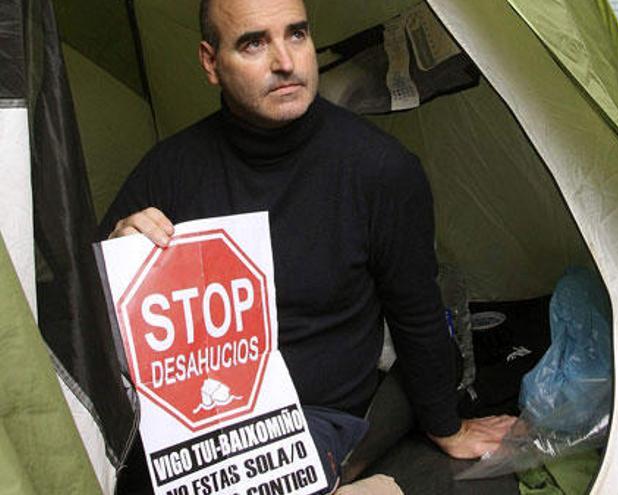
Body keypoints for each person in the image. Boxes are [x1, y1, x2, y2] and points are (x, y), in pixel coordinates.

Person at [100, 0, 515, 492]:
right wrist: (116, 254)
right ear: (211, 63)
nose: (285, 61)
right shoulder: (170, 170)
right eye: (254, 43)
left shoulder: (380, 170)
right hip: (194, 423)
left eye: (296, 35)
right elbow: (90, 321)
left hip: (313, 418)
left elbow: (417, 312)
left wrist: (447, 426)